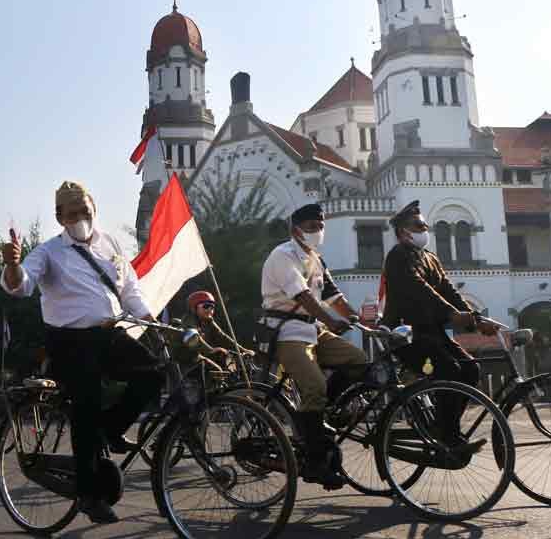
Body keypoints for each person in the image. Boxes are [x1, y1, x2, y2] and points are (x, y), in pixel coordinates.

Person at [1, 180, 163, 524]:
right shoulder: (47, 252)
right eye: (72, 214)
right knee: (86, 404)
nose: (80, 218)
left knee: (153, 373)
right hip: (69, 341)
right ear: (60, 217)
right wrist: (13, 265)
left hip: (108, 333)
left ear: (94, 211)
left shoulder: (111, 244)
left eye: (85, 212)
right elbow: (21, 285)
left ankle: (110, 428)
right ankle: (89, 495)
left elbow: (130, 289)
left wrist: (152, 322)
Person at [260, 202, 368, 488]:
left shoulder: (316, 259)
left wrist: (357, 317)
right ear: (296, 230)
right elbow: (305, 296)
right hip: (287, 333)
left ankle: (318, 416)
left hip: (313, 330)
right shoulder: (282, 256)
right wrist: (331, 321)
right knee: (315, 386)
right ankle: (315, 460)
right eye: (311, 228)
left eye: (320, 227)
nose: (317, 231)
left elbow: (334, 296)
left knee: (359, 361)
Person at [381, 200, 499, 449]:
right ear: (403, 232)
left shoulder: (430, 258)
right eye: (419, 226)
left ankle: (444, 427)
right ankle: (448, 436)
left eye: (424, 226)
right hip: (406, 334)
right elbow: (421, 290)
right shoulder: (398, 257)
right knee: (449, 370)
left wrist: (475, 319)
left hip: (433, 333)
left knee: (470, 369)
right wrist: (452, 315)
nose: (424, 230)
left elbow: (449, 291)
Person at [172, 291, 240, 371]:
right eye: (206, 306)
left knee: (231, 367)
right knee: (217, 370)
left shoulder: (208, 320)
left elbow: (222, 335)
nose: (210, 309)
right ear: (194, 308)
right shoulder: (189, 320)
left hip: (200, 354)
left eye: (212, 307)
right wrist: (211, 350)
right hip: (185, 357)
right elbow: (196, 339)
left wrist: (241, 350)